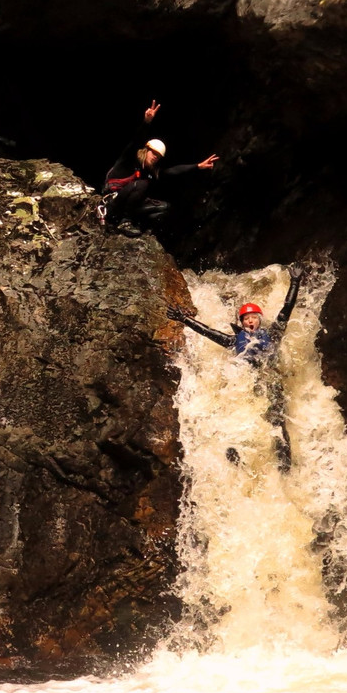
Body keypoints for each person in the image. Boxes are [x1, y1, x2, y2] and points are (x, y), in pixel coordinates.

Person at [167, 264, 306, 471]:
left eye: (253, 317)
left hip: (271, 383)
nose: (250, 321)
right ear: (242, 323)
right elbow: (207, 331)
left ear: (259, 320)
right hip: (247, 387)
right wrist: (183, 319)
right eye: (246, 318)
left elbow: (287, 308)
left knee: (278, 424)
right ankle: (240, 464)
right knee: (242, 421)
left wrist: (295, 281)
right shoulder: (234, 341)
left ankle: (285, 467)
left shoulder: (274, 334)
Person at [102, 100, 219, 236]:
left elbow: (172, 171)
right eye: (153, 153)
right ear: (146, 150)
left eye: (158, 157)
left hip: (128, 207)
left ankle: (143, 229)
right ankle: (125, 222)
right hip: (112, 205)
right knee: (142, 184)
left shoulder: (149, 171)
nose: (155, 157)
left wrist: (197, 166)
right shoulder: (129, 160)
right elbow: (136, 141)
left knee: (164, 207)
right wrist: (146, 122)